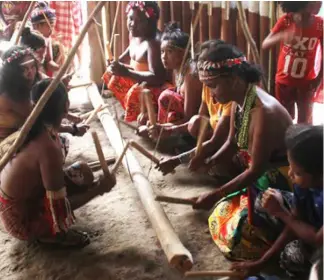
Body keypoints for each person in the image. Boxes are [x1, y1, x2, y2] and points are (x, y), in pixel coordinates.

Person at [190, 41, 293, 260]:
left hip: (282, 181)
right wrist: (209, 161)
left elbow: (256, 170)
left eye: (213, 86)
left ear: (234, 80)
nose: (211, 93)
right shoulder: (241, 100)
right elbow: (232, 144)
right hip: (262, 178)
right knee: (221, 215)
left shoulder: (264, 111)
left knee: (238, 236)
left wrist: (216, 193)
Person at [0, 79, 116, 248]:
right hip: (20, 220)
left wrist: (73, 129)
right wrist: (100, 189)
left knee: (83, 172)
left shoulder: (34, 124)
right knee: (60, 213)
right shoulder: (48, 148)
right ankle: (49, 236)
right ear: (66, 105)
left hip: (20, 201)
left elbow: (58, 130)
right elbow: (59, 210)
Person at [232, 125, 323, 279]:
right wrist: (261, 262)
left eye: (297, 173)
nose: (290, 175)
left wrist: (280, 212)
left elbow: (317, 238)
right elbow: (295, 218)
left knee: (292, 257)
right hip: (312, 223)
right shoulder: (304, 182)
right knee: (264, 201)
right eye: (290, 167)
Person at [102, 1, 171, 123]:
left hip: (154, 87)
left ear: (151, 22)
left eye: (139, 21)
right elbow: (130, 52)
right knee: (110, 74)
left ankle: (148, 114)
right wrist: (117, 62)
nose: (133, 24)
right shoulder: (135, 34)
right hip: (138, 77)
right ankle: (133, 110)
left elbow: (158, 78)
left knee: (134, 92)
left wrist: (127, 73)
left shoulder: (154, 43)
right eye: (130, 18)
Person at [262, 2, 323, 124]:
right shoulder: (286, 21)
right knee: (285, 119)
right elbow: (265, 44)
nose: (320, 2)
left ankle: (302, 143)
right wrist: (283, 36)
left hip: (307, 83)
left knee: (305, 121)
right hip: (284, 82)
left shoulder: (320, 24)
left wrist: (319, 79)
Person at [31, 1, 67, 77]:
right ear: (36, 26)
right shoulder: (30, 39)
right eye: (50, 26)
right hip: (32, 72)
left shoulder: (48, 39)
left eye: (53, 26)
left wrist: (60, 69)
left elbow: (49, 61)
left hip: (41, 70)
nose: (52, 29)